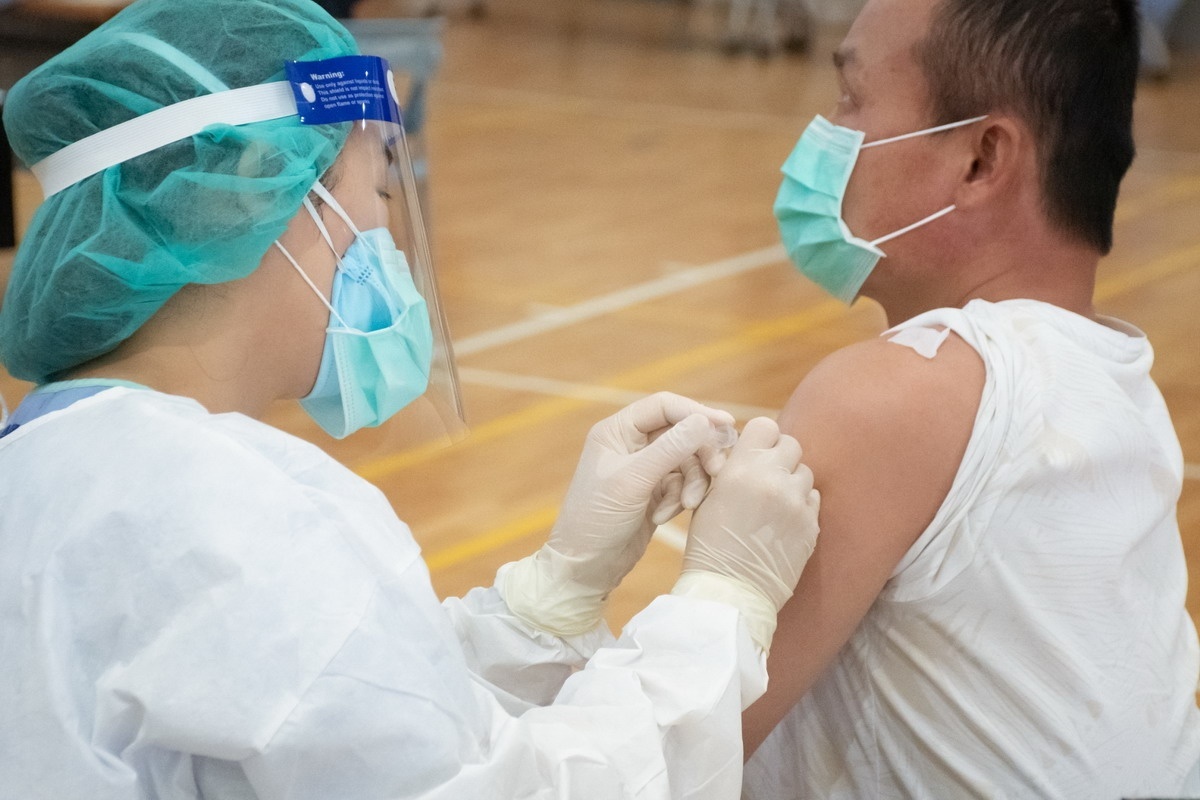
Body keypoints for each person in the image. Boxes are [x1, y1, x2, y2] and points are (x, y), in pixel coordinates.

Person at [0, 1, 823, 796]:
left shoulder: (59, 463)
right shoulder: (236, 517)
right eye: (383, 189)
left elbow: (350, 720)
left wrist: (549, 601)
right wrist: (720, 610)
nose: (388, 238)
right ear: (256, 185)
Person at [742, 0, 1200, 796]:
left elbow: (670, 745)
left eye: (852, 99)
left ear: (982, 160)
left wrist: (546, 607)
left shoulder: (897, 396)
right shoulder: (1121, 387)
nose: (828, 134)